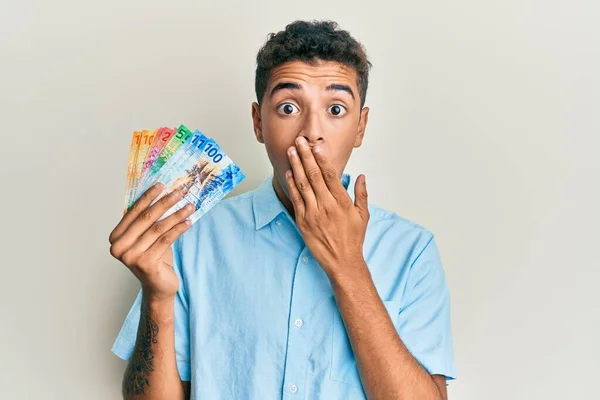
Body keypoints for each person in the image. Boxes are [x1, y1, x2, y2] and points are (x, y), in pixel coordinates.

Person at [109, 19, 457, 400]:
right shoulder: (191, 237)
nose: (311, 131)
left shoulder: (412, 251)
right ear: (259, 123)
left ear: (361, 127)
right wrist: (156, 297)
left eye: (336, 109)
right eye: (288, 107)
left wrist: (348, 267)